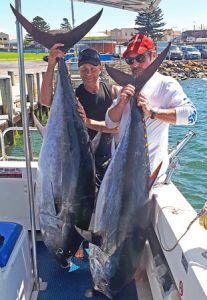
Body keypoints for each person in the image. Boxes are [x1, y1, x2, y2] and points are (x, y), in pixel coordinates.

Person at [40, 45, 119, 258]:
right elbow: (45, 101)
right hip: (78, 162)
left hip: (105, 159)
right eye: (84, 68)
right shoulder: (74, 97)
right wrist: (52, 65)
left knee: (104, 210)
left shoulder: (112, 92)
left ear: (100, 69)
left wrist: (88, 122)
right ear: (79, 70)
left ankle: (99, 251)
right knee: (79, 206)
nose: (88, 72)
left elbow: (119, 127)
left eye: (92, 68)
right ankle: (77, 247)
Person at [105, 33, 197, 175]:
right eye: (130, 60)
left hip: (147, 177)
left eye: (140, 58)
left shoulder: (166, 84)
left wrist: (153, 112)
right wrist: (121, 104)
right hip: (120, 171)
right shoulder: (126, 88)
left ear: (153, 55)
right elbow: (110, 123)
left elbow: (191, 115)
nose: (134, 64)